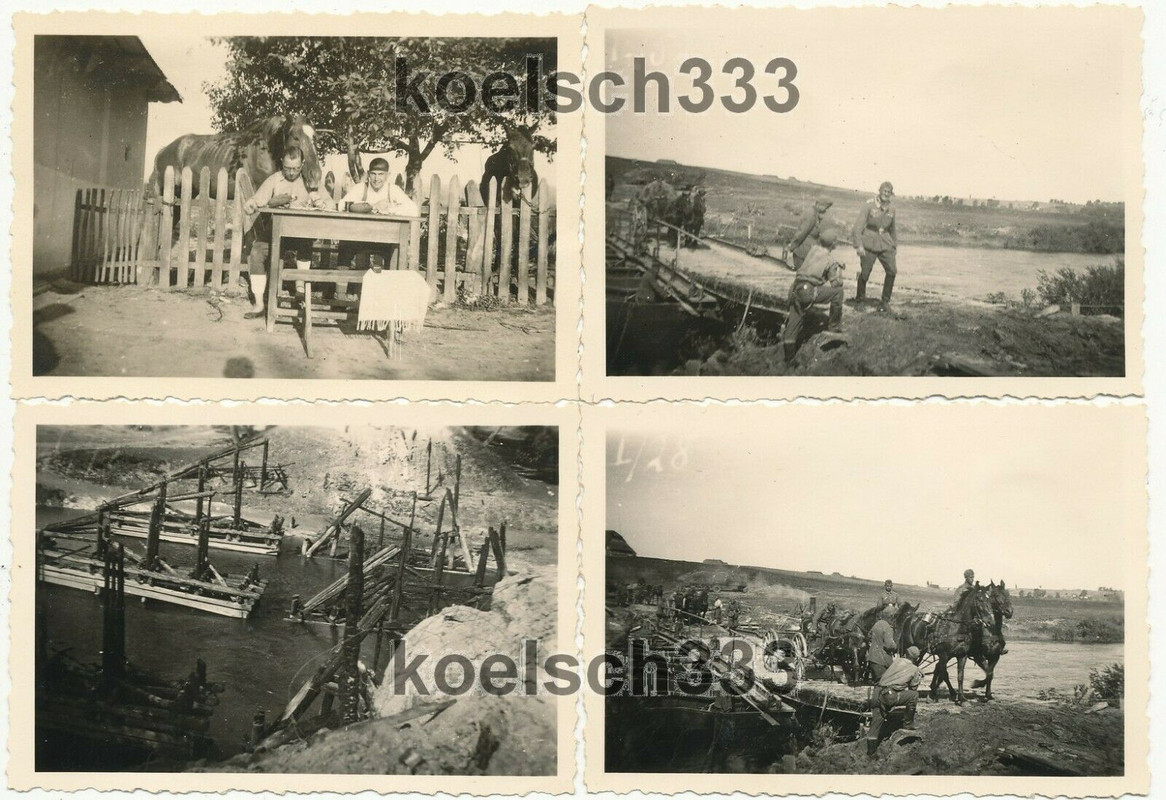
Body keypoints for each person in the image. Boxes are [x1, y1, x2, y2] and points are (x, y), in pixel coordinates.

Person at [242, 146, 334, 319]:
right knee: (256, 252)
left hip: (300, 233)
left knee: (306, 246)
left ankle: (300, 291)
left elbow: (332, 205)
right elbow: (258, 199)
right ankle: (260, 303)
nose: (291, 172)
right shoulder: (274, 180)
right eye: (287, 168)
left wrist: (319, 201)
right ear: (281, 164)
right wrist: (251, 204)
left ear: (302, 165)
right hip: (274, 232)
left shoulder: (309, 182)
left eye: (296, 168)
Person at [339, 157, 420, 270]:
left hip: (385, 239)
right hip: (359, 237)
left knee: (396, 252)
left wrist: (389, 209)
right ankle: (340, 283)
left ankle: (388, 286)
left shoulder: (393, 190)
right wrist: (371, 206)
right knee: (344, 246)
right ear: (368, 174)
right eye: (373, 174)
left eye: (381, 174)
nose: (377, 179)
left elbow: (414, 210)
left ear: (388, 175)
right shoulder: (361, 188)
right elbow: (342, 205)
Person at [781, 228, 846, 362]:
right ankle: (834, 327)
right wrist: (839, 273)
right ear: (833, 244)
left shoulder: (813, 250)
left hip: (795, 289)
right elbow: (835, 285)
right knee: (838, 293)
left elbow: (817, 261)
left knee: (792, 328)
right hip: (808, 292)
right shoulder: (831, 261)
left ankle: (788, 360)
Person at [866, 645, 923, 756]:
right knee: (914, 695)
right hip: (889, 696)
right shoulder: (914, 669)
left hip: (877, 693)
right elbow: (913, 689)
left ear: (906, 654)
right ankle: (908, 724)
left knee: (875, 724)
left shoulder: (897, 662)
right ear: (916, 658)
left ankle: (870, 753)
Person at [852, 180, 898, 312]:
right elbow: (858, 227)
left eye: (889, 192)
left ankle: (885, 302)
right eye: (884, 191)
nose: (886, 194)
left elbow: (893, 230)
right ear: (879, 191)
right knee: (865, 274)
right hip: (869, 244)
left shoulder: (892, 209)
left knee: (892, 271)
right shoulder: (869, 205)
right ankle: (860, 300)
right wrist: (859, 245)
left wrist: (894, 246)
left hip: (885, 244)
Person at [786, 197, 833, 267]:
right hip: (803, 251)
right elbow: (802, 232)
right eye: (826, 207)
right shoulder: (811, 214)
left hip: (808, 251)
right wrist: (792, 246)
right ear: (819, 205)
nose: (826, 210)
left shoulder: (815, 213)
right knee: (803, 273)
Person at [866, 604, 897, 682]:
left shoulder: (877, 623)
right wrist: (895, 646)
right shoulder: (888, 627)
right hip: (882, 660)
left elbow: (869, 635)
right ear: (891, 616)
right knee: (884, 683)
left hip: (872, 657)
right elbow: (889, 645)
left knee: (877, 682)